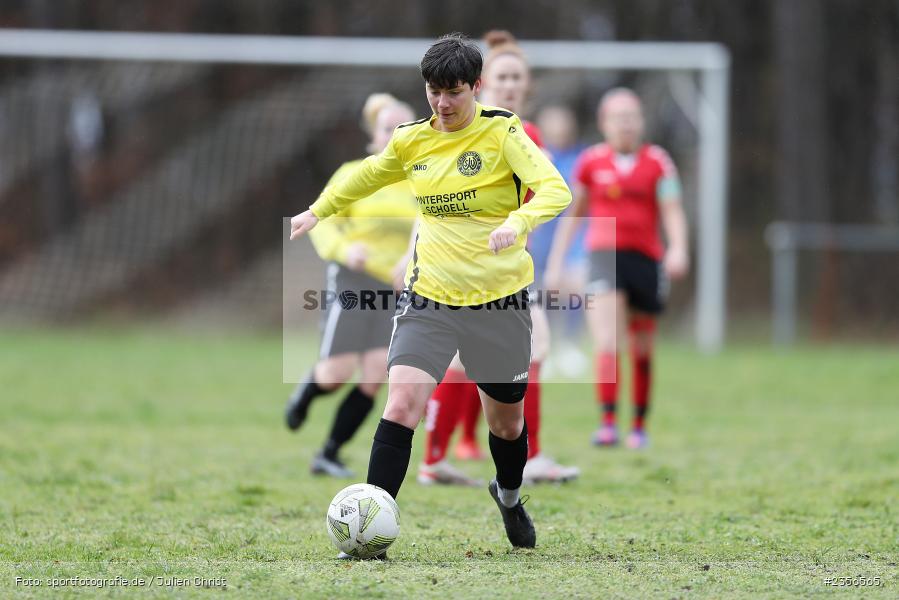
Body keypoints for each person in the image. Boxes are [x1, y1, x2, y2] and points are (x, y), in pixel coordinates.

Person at [290, 33, 571, 553]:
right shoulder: (411, 139)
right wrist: (317, 211)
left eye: (453, 92)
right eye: (433, 91)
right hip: (430, 300)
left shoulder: (503, 131)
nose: (442, 103)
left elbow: (557, 189)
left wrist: (518, 220)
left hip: (499, 301)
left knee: (506, 425)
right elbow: (366, 176)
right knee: (401, 404)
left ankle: (509, 496)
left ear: (476, 87)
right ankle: (368, 527)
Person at [418, 30, 579, 487]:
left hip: (505, 268)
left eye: (516, 77)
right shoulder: (465, 128)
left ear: (527, 85)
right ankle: (525, 456)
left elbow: (549, 196)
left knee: (487, 357)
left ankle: (440, 459)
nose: (509, 85)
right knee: (518, 348)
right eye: (501, 76)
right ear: (483, 82)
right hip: (465, 268)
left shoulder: (526, 134)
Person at [546, 88, 689, 449]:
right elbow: (574, 214)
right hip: (603, 257)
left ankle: (638, 425)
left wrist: (678, 248)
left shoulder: (658, 162)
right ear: (603, 123)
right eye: (617, 117)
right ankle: (607, 422)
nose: (625, 124)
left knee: (641, 345)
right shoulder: (591, 162)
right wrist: (557, 262)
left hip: (645, 259)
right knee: (607, 339)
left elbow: (671, 209)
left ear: (640, 122)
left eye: (631, 117)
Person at [284, 94, 417, 477]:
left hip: (394, 288)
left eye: (403, 129)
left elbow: (430, 225)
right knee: (337, 373)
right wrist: (346, 249)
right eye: (388, 129)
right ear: (374, 136)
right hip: (353, 279)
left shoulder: (421, 179)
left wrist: (411, 260)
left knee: (375, 374)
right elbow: (321, 219)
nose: (395, 136)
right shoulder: (354, 172)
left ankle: (329, 453)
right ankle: (307, 391)